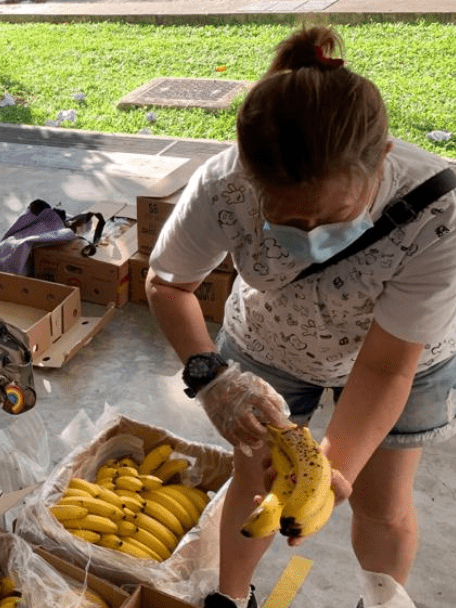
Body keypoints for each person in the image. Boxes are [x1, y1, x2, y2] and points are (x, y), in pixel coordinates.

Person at [145, 26, 456, 608]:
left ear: (382, 158)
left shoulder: (438, 210)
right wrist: (211, 376)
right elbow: (168, 284)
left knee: (380, 504)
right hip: (273, 340)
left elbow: (387, 367)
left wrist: (330, 473)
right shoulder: (224, 185)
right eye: (287, 217)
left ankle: (383, 600)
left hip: (403, 356)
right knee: (254, 480)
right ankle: (232, 598)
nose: (310, 234)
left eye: (332, 215)